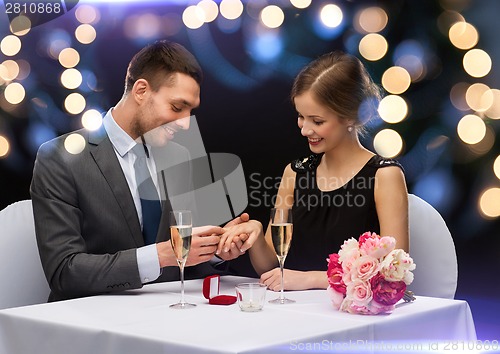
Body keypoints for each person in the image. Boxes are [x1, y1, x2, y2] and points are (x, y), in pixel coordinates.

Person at [30, 40, 246, 302]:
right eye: (177, 108)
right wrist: (161, 255)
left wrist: (215, 249)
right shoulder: (60, 157)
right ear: (141, 90)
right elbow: (64, 273)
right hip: (90, 323)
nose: (186, 125)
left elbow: (184, 258)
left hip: (168, 315)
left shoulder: (180, 156)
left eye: (190, 111)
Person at [218, 51, 409, 291]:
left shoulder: (384, 175)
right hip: (294, 312)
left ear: (351, 116)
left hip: (352, 317)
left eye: (317, 121)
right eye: (301, 117)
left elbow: (394, 270)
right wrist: (255, 235)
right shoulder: (295, 173)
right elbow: (271, 269)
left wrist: (310, 279)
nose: (304, 130)